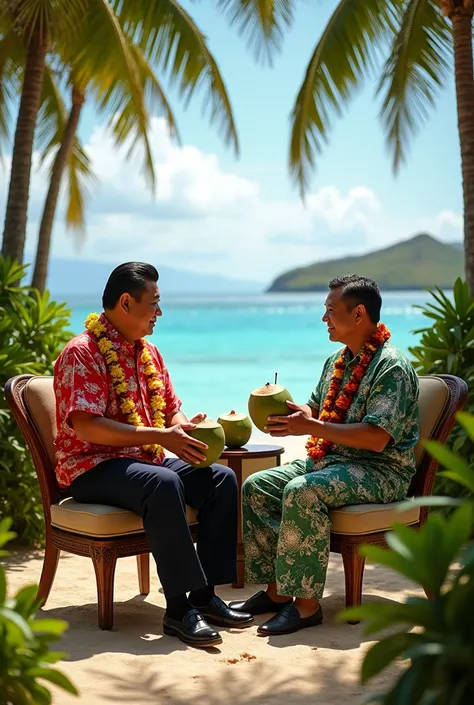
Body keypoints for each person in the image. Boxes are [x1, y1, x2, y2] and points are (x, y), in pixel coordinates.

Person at [53, 262, 253, 647]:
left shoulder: (149, 352)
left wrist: (182, 428)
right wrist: (161, 435)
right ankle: (178, 612)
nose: (159, 313)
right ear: (126, 302)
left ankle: (205, 596)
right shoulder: (84, 352)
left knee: (220, 478)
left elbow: (170, 408)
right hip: (91, 466)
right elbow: (87, 426)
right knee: (162, 483)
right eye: (154, 303)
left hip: (144, 459)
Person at [230, 275, 419, 636]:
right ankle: (277, 592)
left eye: (330, 312)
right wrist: (294, 415)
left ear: (359, 313)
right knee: (257, 486)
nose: (324, 319)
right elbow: (319, 408)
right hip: (332, 461)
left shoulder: (390, 366)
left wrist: (311, 428)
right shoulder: (337, 360)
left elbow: (377, 438)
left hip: (380, 470)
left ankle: (306, 606)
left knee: (303, 490)